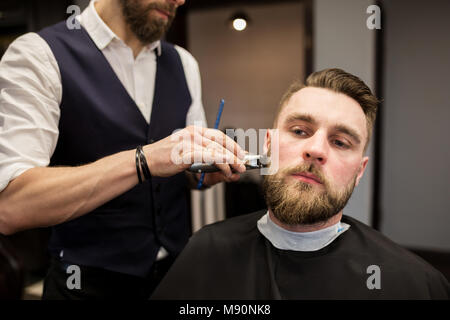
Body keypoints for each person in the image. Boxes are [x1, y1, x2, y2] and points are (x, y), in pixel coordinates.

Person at [0, 0, 246, 299]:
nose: (180, 0)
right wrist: (145, 160)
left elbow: (185, 169)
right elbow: (12, 205)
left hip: (175, 278)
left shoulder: (183, 62)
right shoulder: (39, 55)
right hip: (84, 286)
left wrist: (203, 174)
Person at [152, 68, 450, 299]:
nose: (316, 149)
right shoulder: (206, 251)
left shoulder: (413, 284)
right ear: (267, 146)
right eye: (299, 130)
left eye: (340, 141)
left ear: (360, 171)